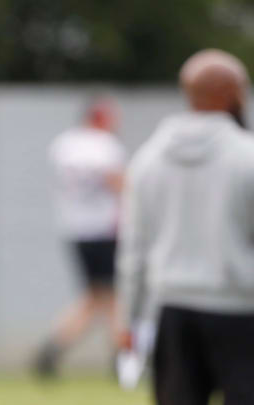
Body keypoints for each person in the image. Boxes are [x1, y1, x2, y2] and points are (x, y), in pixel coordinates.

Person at [117, 49, 254, 405]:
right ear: (234, 94)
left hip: (172, 310)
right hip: (239, 307)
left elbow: (133, 249)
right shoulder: (246, 156)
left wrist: (129, 318)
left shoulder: (148, 159)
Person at [35, 97, 126, 377]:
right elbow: (118, 183)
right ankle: (123, 358)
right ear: (101, 117)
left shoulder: (65, 145)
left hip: (75, 228)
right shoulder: (105, 146)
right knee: (108, 295)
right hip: (103, 228)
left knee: (99, 295)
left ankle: (55, 348)